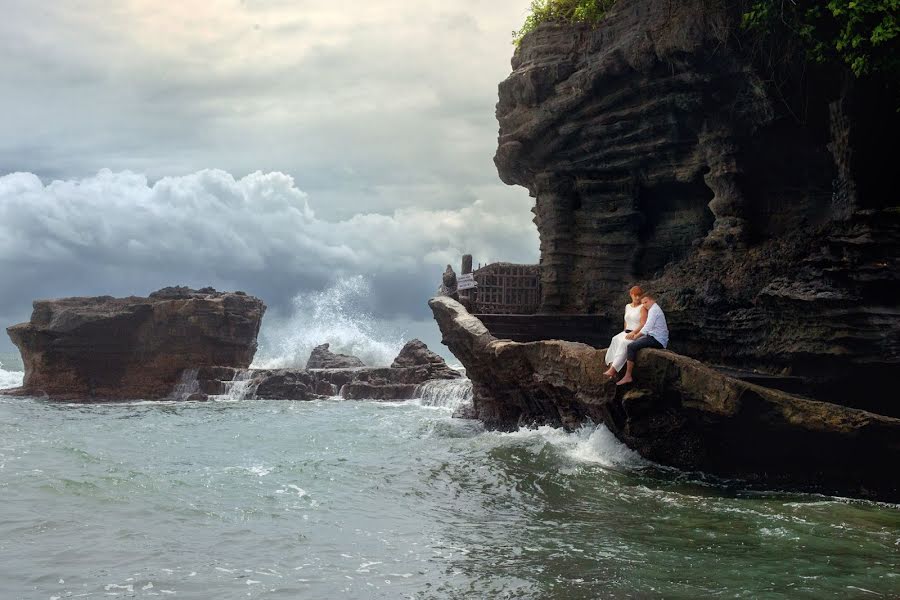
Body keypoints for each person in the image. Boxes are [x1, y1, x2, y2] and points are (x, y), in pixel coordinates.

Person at [616, 291, 669, 386]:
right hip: (654, 336)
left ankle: (628, 376)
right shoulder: (653, 308)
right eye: (643, 303)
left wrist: (636, 336)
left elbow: (647, 327)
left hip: (657, 340)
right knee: (631, 342)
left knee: (631, 347)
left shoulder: (654, 310)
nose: (644, 305)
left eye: (646, 302)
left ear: (652, 300)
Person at [603, 286, 648, 378]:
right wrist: (623, 333)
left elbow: (643, 324)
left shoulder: (643, 307)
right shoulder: (627, 306)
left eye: (639, 295)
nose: (637, 298)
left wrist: (633, 333)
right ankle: (611, 364)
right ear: (631, 295)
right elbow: (626, 321)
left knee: (624, 343)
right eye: (635, 295)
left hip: (638, 333)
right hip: (627, 331)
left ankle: (613, 370)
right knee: (615, 339)